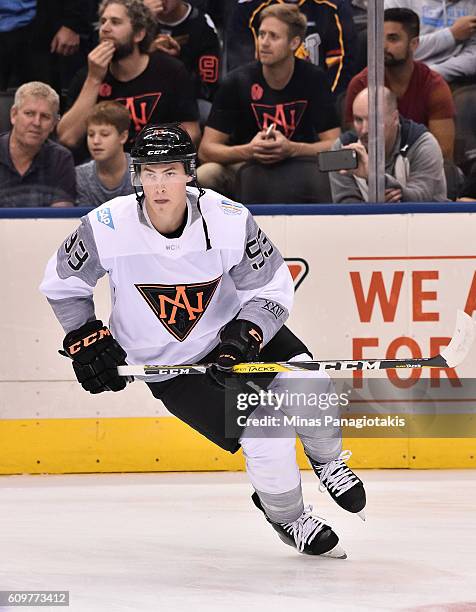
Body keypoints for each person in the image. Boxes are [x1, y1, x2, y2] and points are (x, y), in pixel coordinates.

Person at [40, 123, 367, 558]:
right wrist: (84, 335)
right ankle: (288, 517)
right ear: (137, 176)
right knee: (266, 430)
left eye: (170, 172)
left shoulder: (228, 219)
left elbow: (269, 289)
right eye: (150, 173)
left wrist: (245, 335)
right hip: (171, 367)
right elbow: (64, 284)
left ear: (189, 173)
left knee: (311, 384)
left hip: (237, 335)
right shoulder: (106, 226)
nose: (160, 185)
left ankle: (328, 461)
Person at [197, 3, 341, 198]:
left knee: (338, 168)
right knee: (205, 174)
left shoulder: (314, 79)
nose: (264, 42)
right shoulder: (237, 81)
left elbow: (334, 144)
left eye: (273, 36)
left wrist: (292, 149)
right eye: (261, 34)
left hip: (300, 163)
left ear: (294, 43)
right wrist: (250, 150)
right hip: (247, 165)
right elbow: (206, 150)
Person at [57, 0, 200, 155]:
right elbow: (67, 138)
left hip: (155, 165)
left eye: (115, 22)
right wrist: (94, 79)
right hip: (104, 168)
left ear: (139, 34)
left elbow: (191, 132)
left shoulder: (170, 70)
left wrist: (153, 159)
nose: (105, 28)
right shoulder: (88, 76)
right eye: (103, 22)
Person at [345, 8, 456, 160]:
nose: (383, 46)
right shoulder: (361, 84)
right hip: (371, 173)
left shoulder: (434, 86)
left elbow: (444, 151)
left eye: (393, 38)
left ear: (414, 44)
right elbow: (356, 148)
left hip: (422, 171)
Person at [330, 87, 447, 203]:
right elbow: (347, 210)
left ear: (395, 118)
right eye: (358, 120)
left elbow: (421, 200)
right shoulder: (342, 148)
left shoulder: (422, 144)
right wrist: (379, 209)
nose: (365, 129)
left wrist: (375, 178)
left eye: (374, 120)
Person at [225, 0, 358, 94]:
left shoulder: (333, 7)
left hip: (317, 99)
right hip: (263, 101)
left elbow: (342, 66)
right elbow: (242, 69)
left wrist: (324, 101)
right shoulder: (248, 9)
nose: (265, 41)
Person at [0, 81, 76, 208]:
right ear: (14, 115)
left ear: (54, 124)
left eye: (45, 116)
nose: (36, 122)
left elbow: (61, 219)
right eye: (29, 113)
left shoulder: (60, 159)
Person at [144, 0, 221, 102]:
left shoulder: (201, 25)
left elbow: (207, 89)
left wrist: (178, 59)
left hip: (183, 98)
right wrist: (142, 18)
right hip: (141, 92)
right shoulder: (136, 19)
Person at [384, 0, 476, 83]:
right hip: (401, 75)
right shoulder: (398, 2)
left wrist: (432, 74)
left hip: (454, 79)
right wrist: (452, 34)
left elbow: (473, 56)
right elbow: (394, 50)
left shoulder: (472, 5)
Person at [76, 101, 134, 207]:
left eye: (104, 134)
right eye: (91, 134)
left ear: (123, 137)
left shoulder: (142, 172)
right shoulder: (81, 176)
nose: (96, 141)